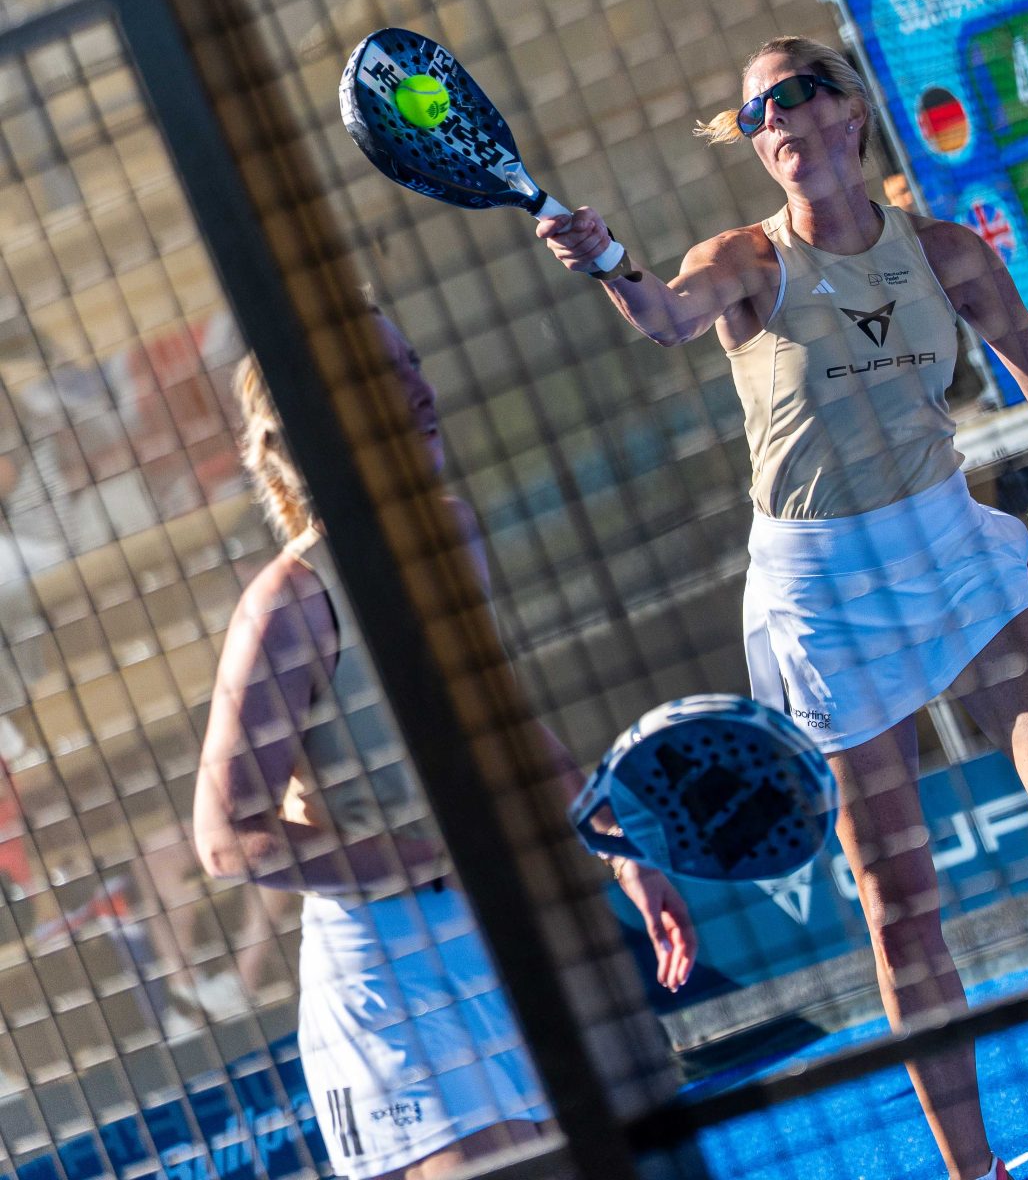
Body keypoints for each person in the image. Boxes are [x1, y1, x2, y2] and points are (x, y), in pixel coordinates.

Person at [538, 37, 1028, 1180]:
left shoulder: (944, 253)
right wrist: (604, 257)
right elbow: (665, 315)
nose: (776, 118)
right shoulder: (743, 260)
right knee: (900, 903)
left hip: (950, 550)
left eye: (795, 94)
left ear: (849, 111)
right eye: (755, 112)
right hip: (825, 596)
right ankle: (974, 1172)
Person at [194, 312, 695, 1180]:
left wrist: (621, 853)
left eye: (414, 362)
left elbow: (498, 722)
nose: (421, 391)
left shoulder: (452, 535)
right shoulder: (288, 602)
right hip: (390, 978)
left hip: (506, 930)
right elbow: (227, 840)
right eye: (383, 377)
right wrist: (433, 858)